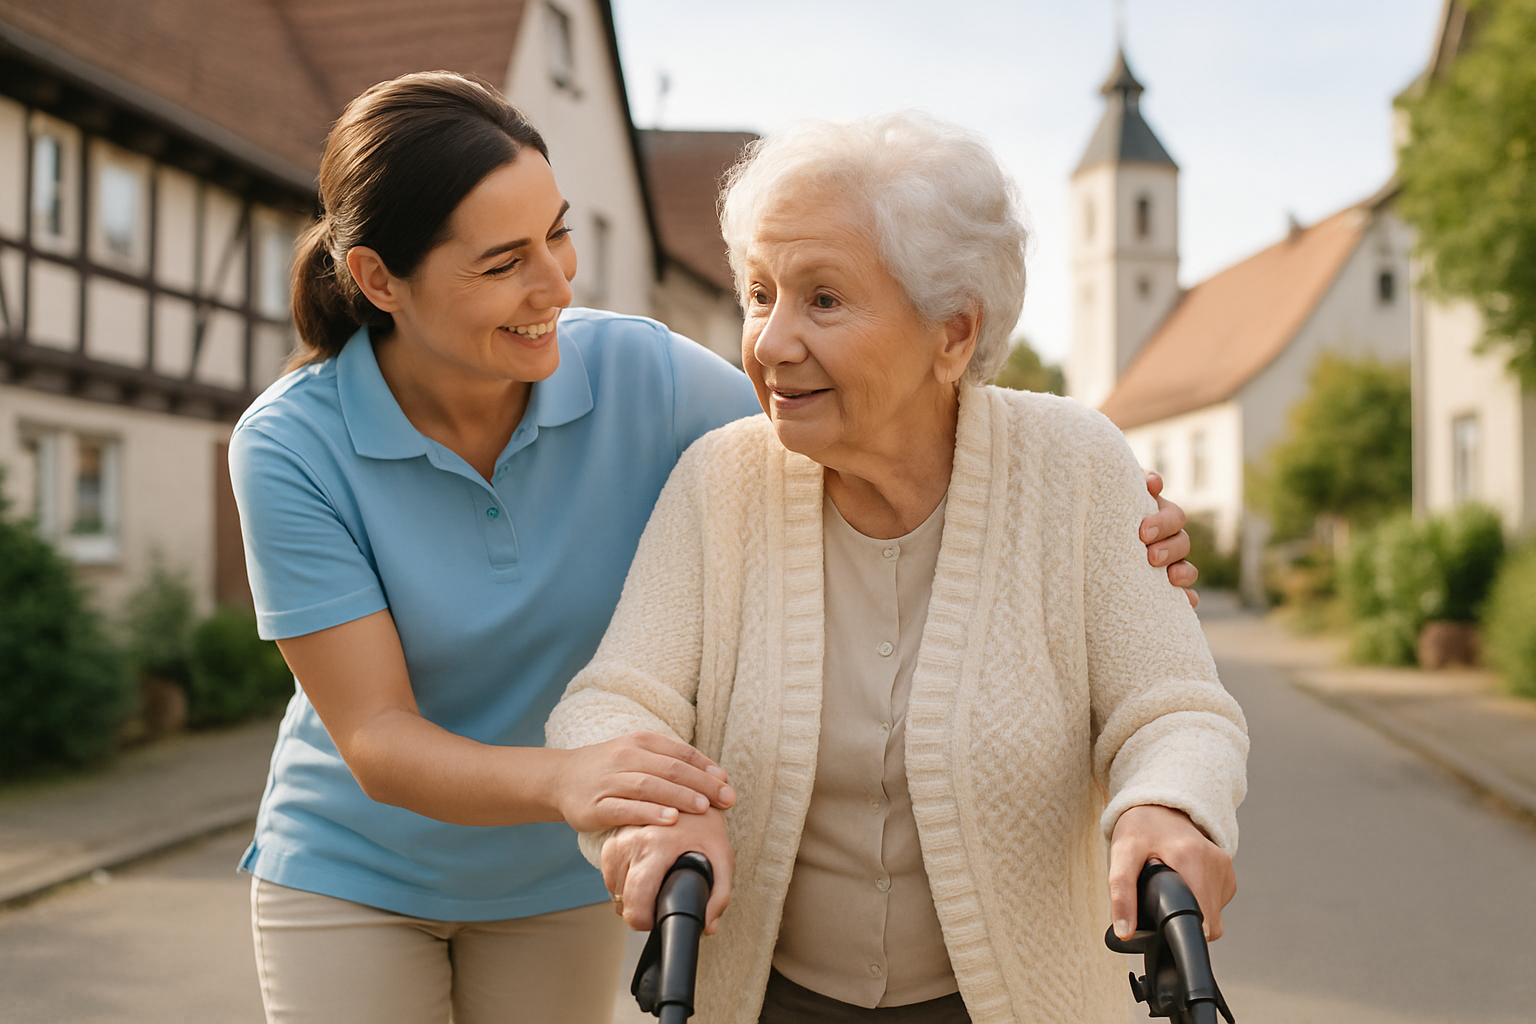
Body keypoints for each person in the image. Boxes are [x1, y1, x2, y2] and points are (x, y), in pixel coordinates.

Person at [232, 75, 1200, 1024]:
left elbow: (854, 418)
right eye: (502, 263)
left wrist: (1120, 524)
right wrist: (578, 781)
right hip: (367, 860)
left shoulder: (639, 375)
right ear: (379, 280)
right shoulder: (292, 445)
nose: (557, 284)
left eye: (558, 234)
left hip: (558, 869)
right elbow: (378, 737)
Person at [546, 112, 1248, 1024]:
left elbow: (1175, 708)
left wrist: (1167, 805)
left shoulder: (1076, 467)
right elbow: (613, 700)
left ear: (952, 334)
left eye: (823, 300)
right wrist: (654, 813)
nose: (770, 341)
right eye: (760, 294)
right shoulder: (720, 481)